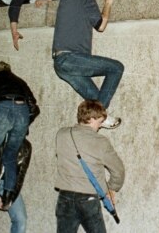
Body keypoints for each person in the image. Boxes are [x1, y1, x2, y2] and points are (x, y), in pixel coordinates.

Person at [52, 0, 123, 129]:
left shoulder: (64, 0)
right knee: (116, 67)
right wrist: (108, 3)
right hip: (72, 58)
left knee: (95, 98)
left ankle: (100, 118)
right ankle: (101, 117)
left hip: (59, 63)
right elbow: (101, 26)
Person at [54, 99, 125, 233]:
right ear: (92, 119)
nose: (100, 126)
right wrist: (112, 188)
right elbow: (118, 170)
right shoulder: (100, 141)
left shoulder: (61, 134)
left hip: (64, 197)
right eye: (100, 122)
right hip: (88, 199)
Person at [0, 61, 37, 215]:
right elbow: (34, 106)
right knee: (10, 155)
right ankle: (7, 194)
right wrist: (24, 124)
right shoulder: (20, 81)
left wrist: (0, 120)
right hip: (22, 112)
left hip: (2, 107)